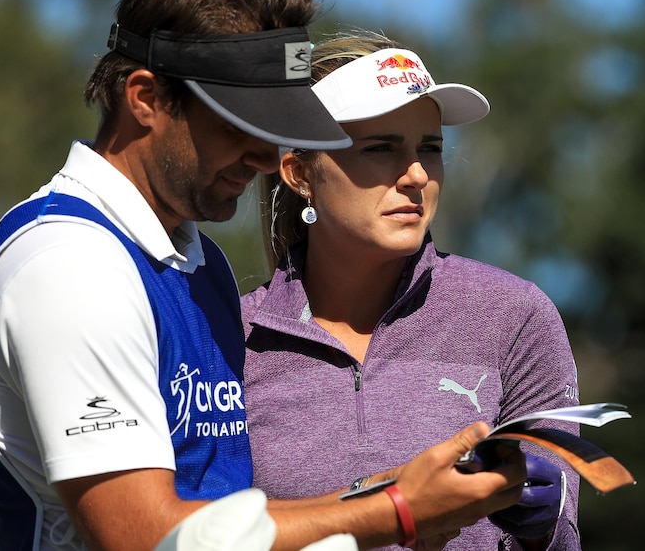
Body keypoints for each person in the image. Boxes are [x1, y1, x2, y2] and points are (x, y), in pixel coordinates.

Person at [0, 0, 528, 550]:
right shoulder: (70, 267)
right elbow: (145, 537)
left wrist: (393, 493)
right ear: (145, 98)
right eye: (240, 123)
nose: (269, 156)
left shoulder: (201, 265)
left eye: (277, 125)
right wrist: (396, 512)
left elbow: (226, 521)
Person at [242, 31, 583, 550]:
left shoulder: (514, 317)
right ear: (299, 173)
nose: (417, 175)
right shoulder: (230, 336)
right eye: (381, 148)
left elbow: (563, 540)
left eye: (431, 147)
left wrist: (547, 518)